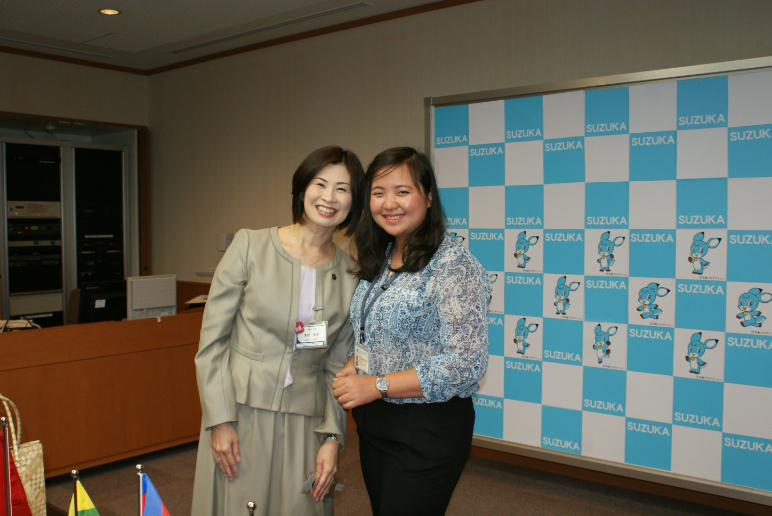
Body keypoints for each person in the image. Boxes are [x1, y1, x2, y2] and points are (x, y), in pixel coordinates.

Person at [191, 146, 365, 516]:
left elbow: (338, 366)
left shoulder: (351, 275)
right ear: (303, 188)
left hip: (307, 421)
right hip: (240, 412)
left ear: (355, 201)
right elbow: (212, 344)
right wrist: (219, 420)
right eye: (321, 183)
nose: (329, 197)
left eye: (343, 188)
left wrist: (333, 438)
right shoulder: (250, 247)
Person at [332, 147, 491, 516]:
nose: (390, 203)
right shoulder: (384, 255)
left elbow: (466, 363)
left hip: (427, 429)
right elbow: (386, 330)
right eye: (378, 192)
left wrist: (376, 384)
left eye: (402, 191)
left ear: (429, 197)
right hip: (377, 424)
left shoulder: (453, 264)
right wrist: (358, 361)